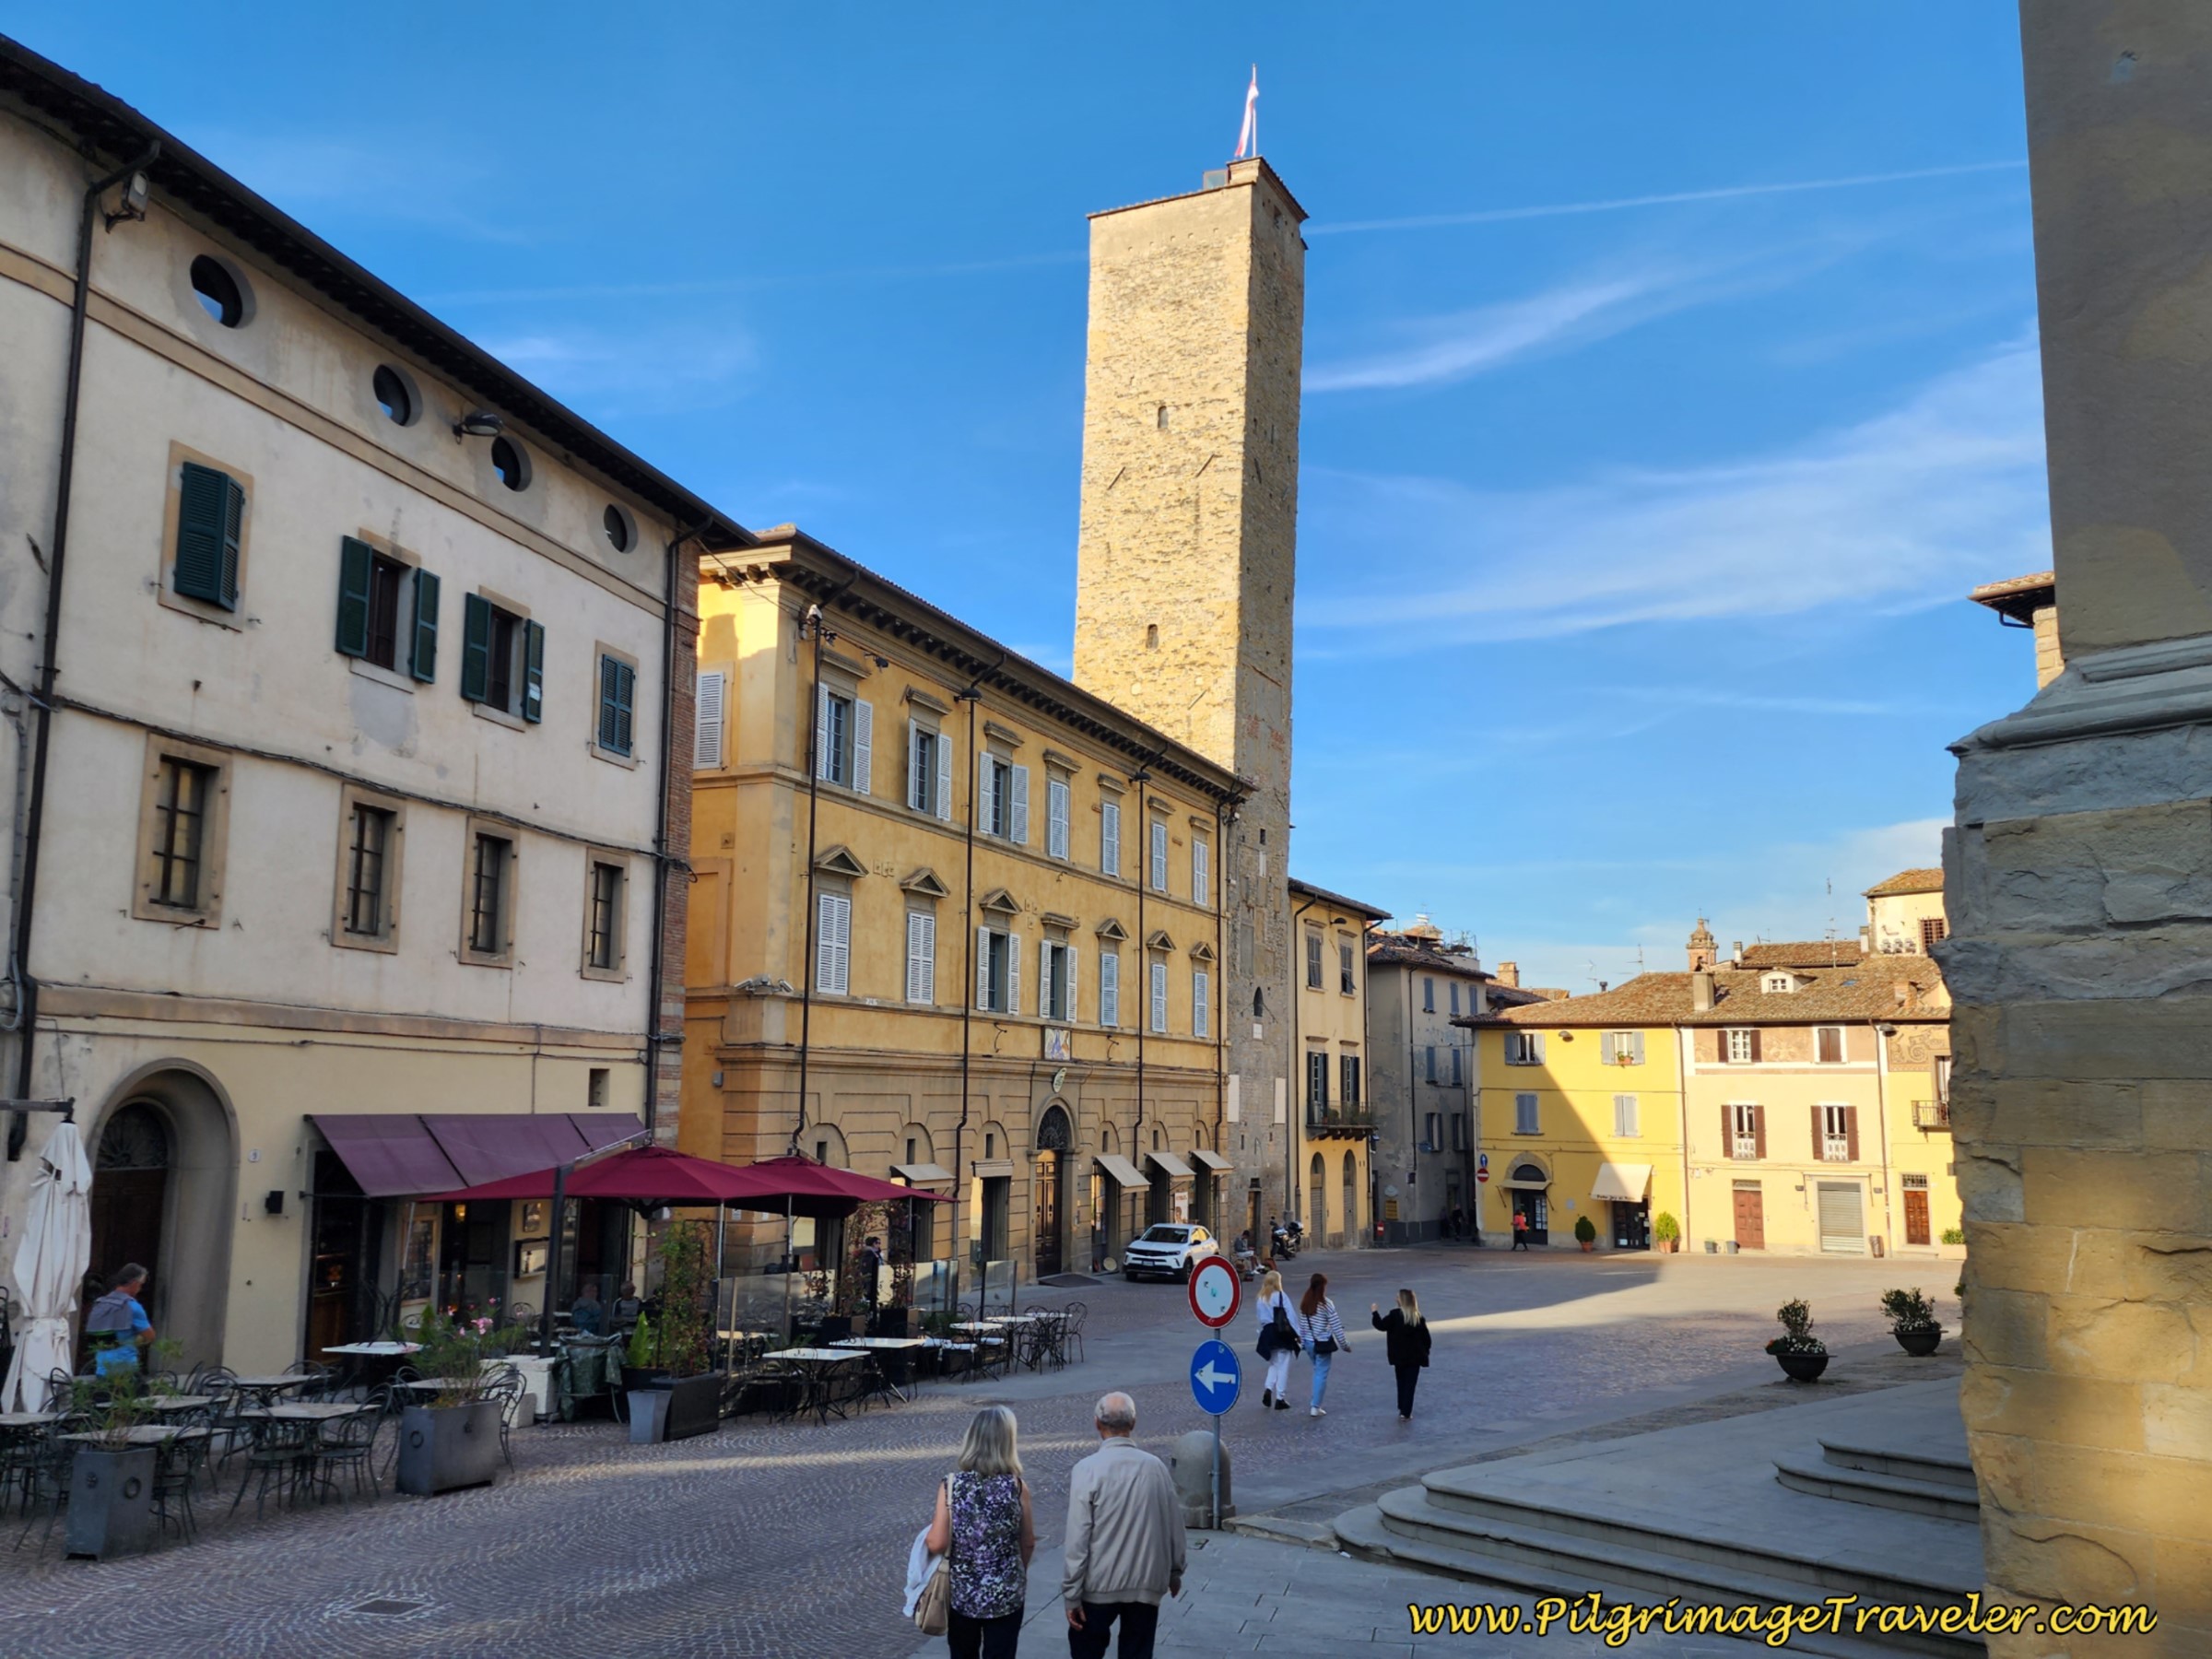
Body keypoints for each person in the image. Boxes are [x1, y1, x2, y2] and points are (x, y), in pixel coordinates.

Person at [1062, 1392, 1184, 1659]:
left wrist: (1072, 1592)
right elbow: (1174, 1524)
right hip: (1146, 1582)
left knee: (1086, 1650)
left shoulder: (1087, 1469)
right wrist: (1175, 1570)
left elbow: (1078, 1537)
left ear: (1097, 1424)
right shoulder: (1156, 1468)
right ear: (1134, 1423)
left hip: (1098, 1584)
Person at [924, 1405, 1035, 1659]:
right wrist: (1018, 1573)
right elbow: (1028, 1542)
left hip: (963, 1596)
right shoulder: (1017, 1487)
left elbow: (937, 1543)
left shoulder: (951, 1485)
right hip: (1006, 1594)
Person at [1371, 1288, 1433, 1420]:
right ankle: (1406, 1411)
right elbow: (1426, 1338)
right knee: (1410, 1384)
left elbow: (1381, 1325)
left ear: (1402, 1300)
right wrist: (1425, 1351)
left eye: (1398, 1297)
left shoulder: (1394, 1315)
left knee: (1401, 1381)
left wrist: (1375, 1312)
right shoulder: (1418, 1317)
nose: (1396, 1299)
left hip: (1399, 1356)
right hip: (1415, 1356)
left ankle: (1401, 1407)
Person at [84, 1264, 153, 1377]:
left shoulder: (99, 1305)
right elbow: (150, 1336)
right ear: (135, 1283)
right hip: (126, 1370)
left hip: (102, 1369)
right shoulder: (133, 1307)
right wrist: (136, 1339)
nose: (140, 1288)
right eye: (141, 1285)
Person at [1297, 1272, 1350, 1418]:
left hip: (1308, 1343)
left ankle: (1315, 1402)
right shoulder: (1326, 1304)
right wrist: (1345, 1345)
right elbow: (1336, 1326)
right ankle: (1315, 1406)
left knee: (1317, 1371)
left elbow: (1302, 1324)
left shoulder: (1305, 1302)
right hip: (1322, 1343)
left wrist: (1302, 1342)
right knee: (1321, 1374)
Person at [1252, 1269, 1296, 1411]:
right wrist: (1299, 1333)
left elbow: (1259, 1319)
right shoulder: (1281, 1296)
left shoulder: (1261, 1298)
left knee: (1274, 1363)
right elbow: (1291, 1316)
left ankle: (1268, 1388)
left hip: (1267, 1333)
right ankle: (1280, 1398)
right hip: (1281, 1332)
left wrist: (1261, 1333)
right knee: (1283, 1365)